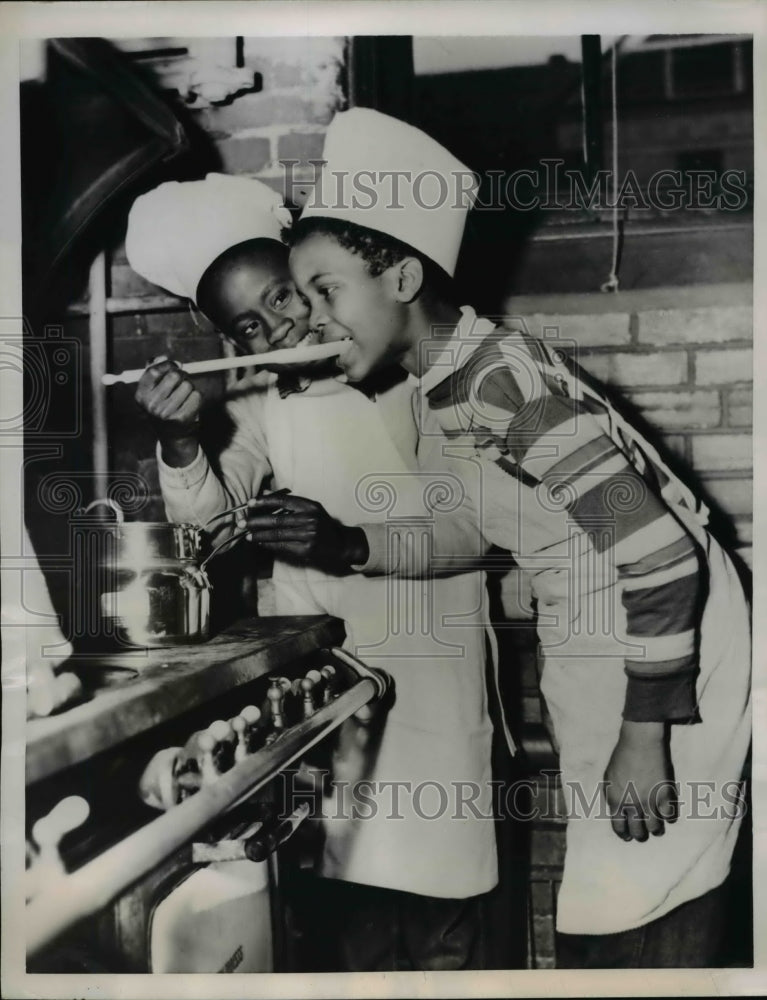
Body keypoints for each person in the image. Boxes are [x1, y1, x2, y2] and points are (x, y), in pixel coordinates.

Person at [244, 108, 752, 968]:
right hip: (613, 638)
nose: (312, 320)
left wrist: (645, 733)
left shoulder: (498, 385)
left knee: (636, 919)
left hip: (662, 646)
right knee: (609, 910)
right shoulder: (447, 382)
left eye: (327, 291)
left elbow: (661, 556)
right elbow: (469, 531)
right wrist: (344, 545)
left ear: (402, 277)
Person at [124, 172, 507, 971]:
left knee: (446, 931)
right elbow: (206, 522)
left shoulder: (418, 374)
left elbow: (473, 531)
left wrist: (341, 541)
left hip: (436, 682)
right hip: (329, 695)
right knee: (351, 924)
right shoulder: (264, 399)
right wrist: (184, 442)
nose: (276, 330)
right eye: (248, 326)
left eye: (285, 298)